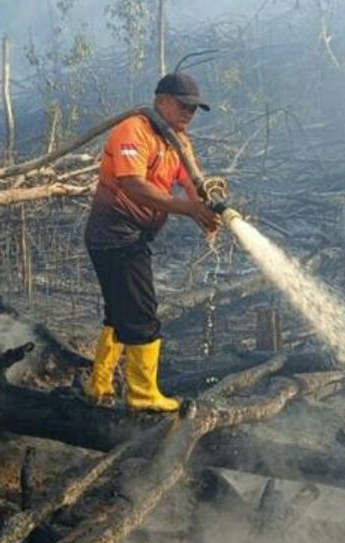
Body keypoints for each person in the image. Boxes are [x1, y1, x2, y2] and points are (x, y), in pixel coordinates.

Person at [83, 71, 221, 413]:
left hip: (131, 236)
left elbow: (192, 181)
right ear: (161, 101)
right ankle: (142, 397)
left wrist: (208, 206)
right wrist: (188, 209)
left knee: (119, 313)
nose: (189, 114)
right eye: (184, 105)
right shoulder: (134, 130)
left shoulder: (178, 141)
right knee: (142, 317)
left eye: (194, 109)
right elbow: (132, 185)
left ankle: (99, 387)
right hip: (114, 235)